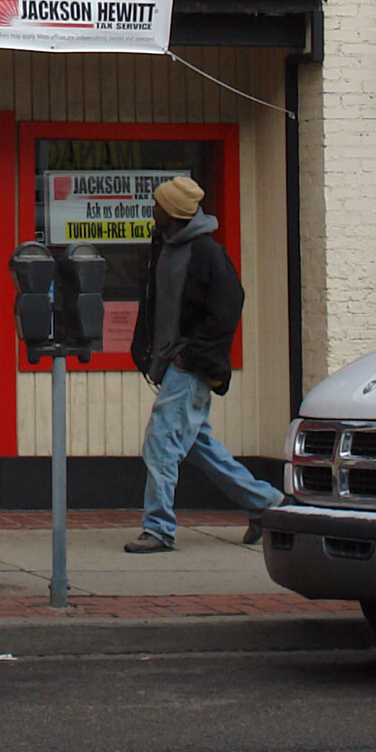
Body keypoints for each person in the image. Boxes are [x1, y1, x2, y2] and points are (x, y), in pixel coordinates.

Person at [123, 175, 283, 553]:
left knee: (161, 442)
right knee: (198, 446)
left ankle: (159, 529)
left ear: (174, 211)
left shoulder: (207, 253)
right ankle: (268, 504)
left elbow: (228, 307)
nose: (154, 209)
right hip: (173, 364)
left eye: (159, 204)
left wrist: (189, 354)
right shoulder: (164, 244)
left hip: (189, 366)